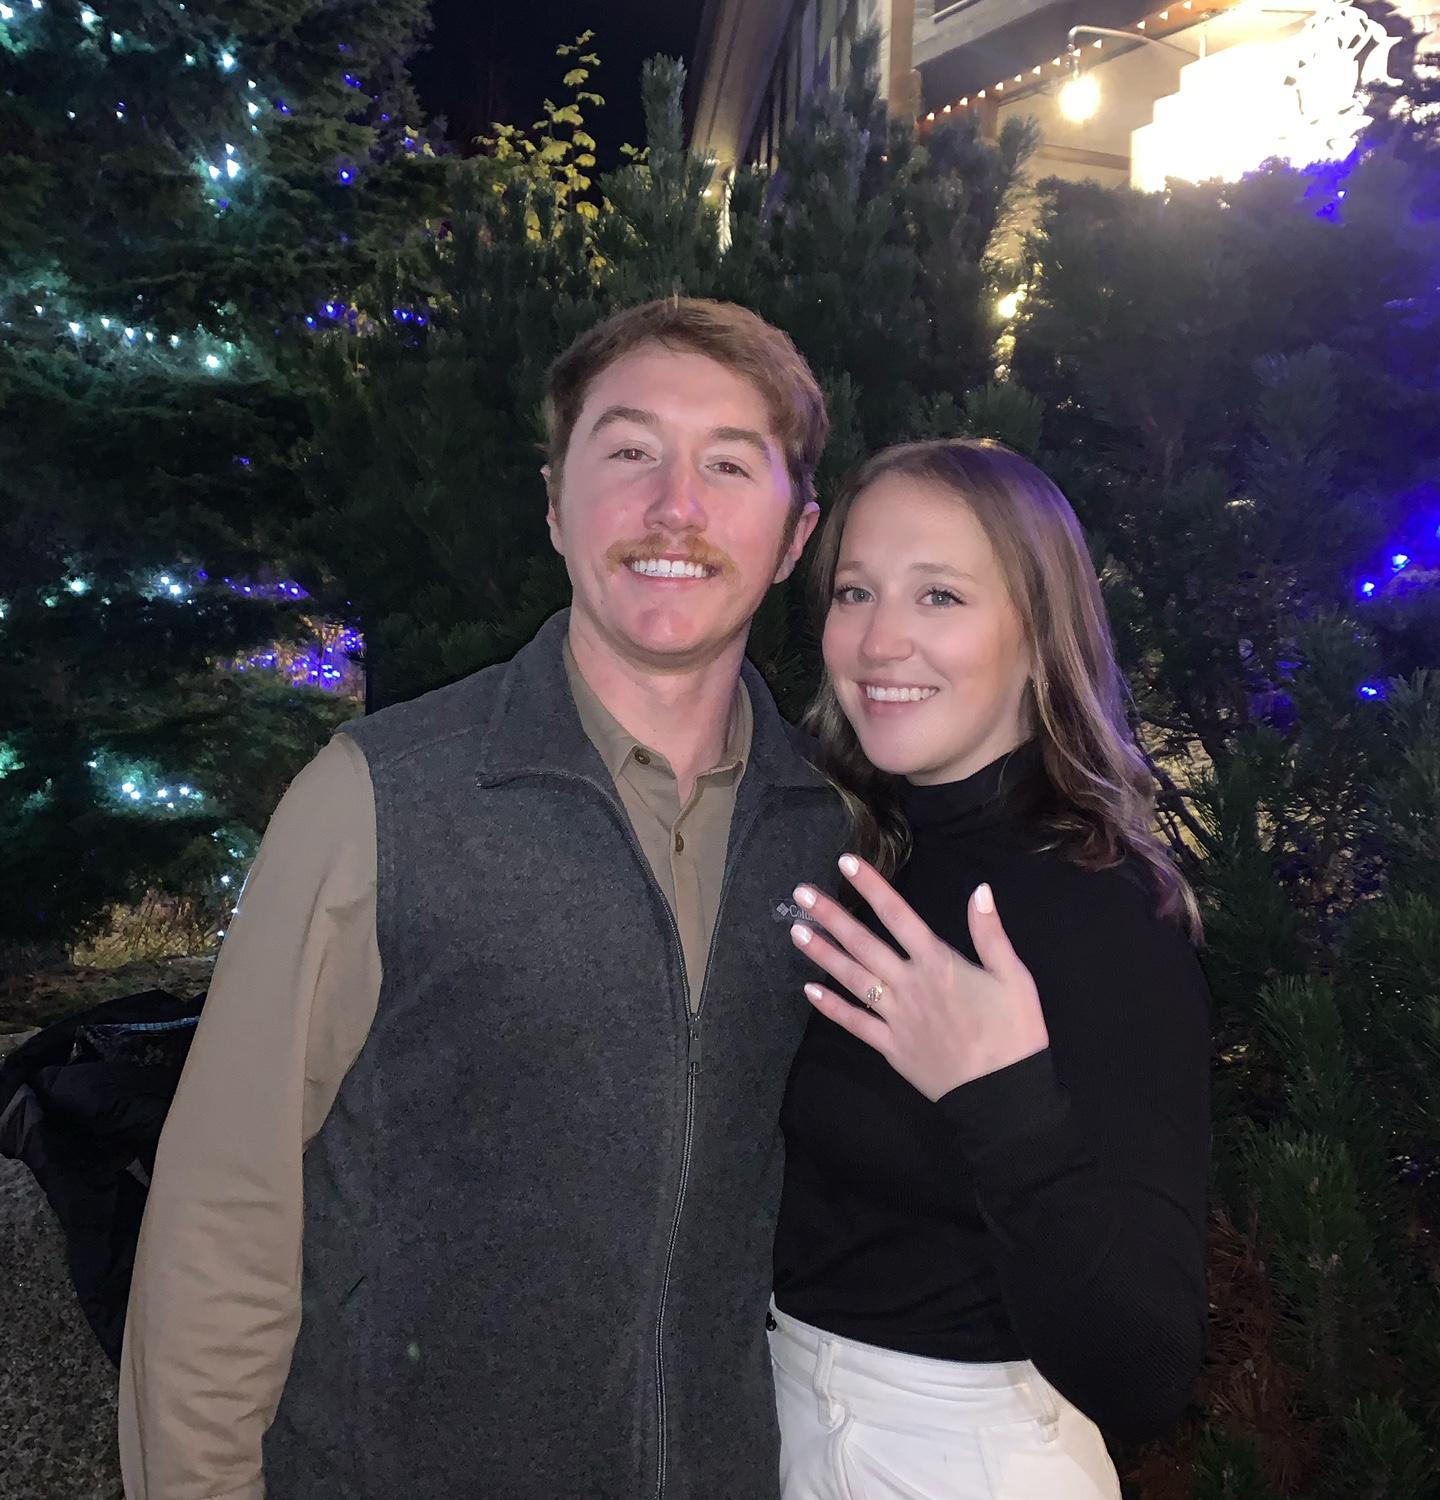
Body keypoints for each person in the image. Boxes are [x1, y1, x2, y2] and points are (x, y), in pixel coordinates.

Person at [119, 297, 849, 1500]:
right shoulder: (378, 802)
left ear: (794, 533)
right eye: (628, 452)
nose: (676, 505)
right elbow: (224, 1216)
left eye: (729, 462)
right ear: (555, 501)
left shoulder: (828, 833)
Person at [770, 440, 1212, 1499]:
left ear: (1036, 632)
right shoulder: (848, 842)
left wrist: (1002, 1100)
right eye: (856, 590)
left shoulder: (1098, 907)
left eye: (940, 595)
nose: (881, 639)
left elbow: (1145, 1369)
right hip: (781, 1419)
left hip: (962, 1457)